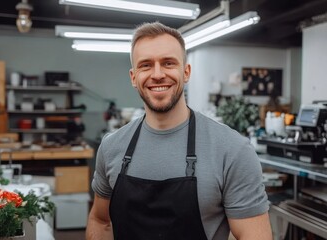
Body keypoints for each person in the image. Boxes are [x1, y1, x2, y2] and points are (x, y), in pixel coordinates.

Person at [86, 22, 272, 240]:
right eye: (145, 65)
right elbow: (100, 220)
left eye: (168, 63)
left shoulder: (232, 150)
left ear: (186, 72)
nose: (157, 74)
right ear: (133, 77)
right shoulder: (111, 147)